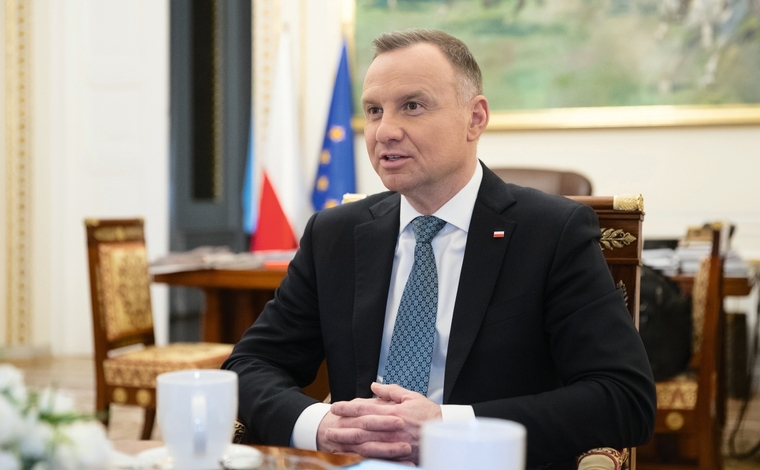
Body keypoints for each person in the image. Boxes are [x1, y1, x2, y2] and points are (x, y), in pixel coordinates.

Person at [224, 29, 655, 469]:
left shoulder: (551, 232)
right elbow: (249, 366)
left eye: (412, 106)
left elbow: (625, 397)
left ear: (475, 118)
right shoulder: (336, 234)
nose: (385, 131)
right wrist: (320, 425)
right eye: (374, 110)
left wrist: (449, 429)